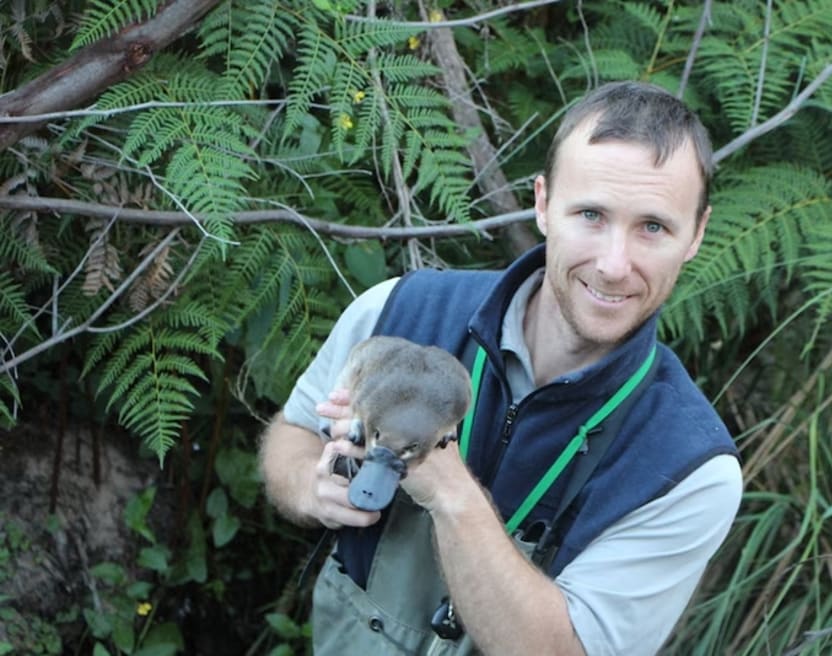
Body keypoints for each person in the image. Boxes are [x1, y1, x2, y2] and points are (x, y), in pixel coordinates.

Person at [260, 80, 743, 655]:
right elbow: (293, 434)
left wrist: (449, 491)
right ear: (543, 203)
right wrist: (310, 486)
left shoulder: (691, 469)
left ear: (696, 234)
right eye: (591, 214)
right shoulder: (399, 310)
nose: (615, 265)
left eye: (653, 227)